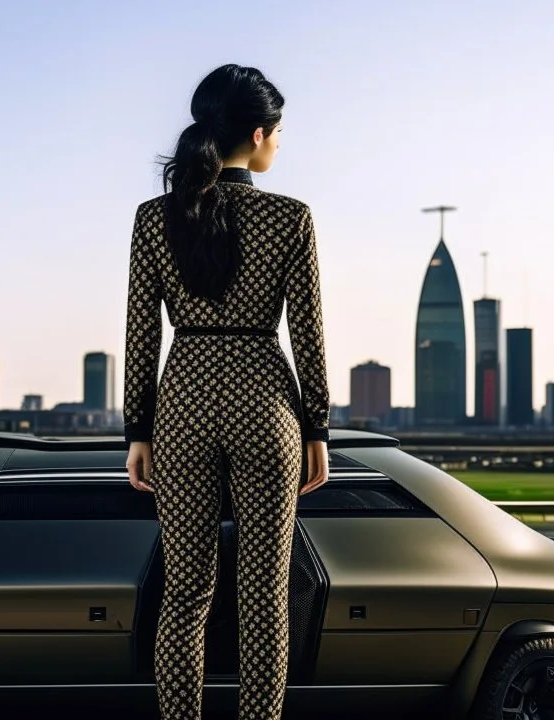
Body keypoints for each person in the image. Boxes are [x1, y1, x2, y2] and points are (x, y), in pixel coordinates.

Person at [121, 63, 331, 720]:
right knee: (265, 596)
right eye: (279, 133)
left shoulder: (155, 217)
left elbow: (138, 333)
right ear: (261, 133)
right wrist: (318, 425)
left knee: (184, 595)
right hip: (266, 404)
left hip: (182, 401)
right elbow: (308, 334)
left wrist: (138, 429)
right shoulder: (289, 217)